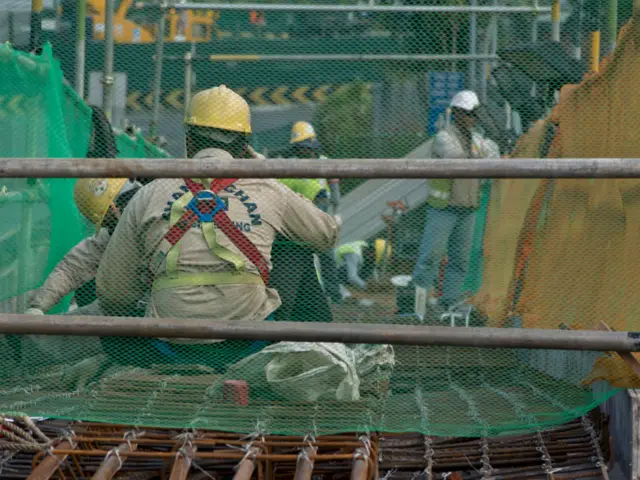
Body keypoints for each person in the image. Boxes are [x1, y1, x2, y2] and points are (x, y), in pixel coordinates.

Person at [96, 85, 339, 371]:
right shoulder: (267, 188)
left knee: (122, 300)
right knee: (295, 248)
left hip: (164, 347)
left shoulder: (150, 193)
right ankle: (323, 353)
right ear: (244, 145)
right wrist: (266, 172)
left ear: (188, 140)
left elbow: (112, 295)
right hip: (247, 345)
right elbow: (327, 235)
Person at [412, 90, 497, 314]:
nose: (472, 119)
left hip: (468, 207)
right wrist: (482, 153)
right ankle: (416, 304)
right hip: (444, 208)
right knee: (430, 256)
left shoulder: (476, 139)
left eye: (474, 115)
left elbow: (493, 156)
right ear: (457, 114)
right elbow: (455, 156)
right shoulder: (444, 137)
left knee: (460, 259)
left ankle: (449, 300)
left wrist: (485, 149)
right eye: (468, 115)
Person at [25, 178, 142, 316]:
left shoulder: (155, 222)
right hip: (149, 310)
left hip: (161, 310)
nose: (109, 227)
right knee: (87, 294)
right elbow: (72, 268)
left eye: (107, 221)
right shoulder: (118, 231)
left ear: (114, 209)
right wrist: (38, 306)